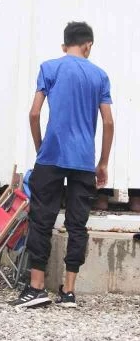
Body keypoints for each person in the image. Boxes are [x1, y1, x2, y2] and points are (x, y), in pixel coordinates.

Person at [9, 22, 114, 309]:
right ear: (88, 45)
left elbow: (34, 114)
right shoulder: (100, 75)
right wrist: (103, 162)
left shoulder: (49, 68)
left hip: (51, 155)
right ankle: (68, 291)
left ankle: (36, 288)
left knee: (41, 219)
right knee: (77, 224)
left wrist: (40, 147)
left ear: (64, 45)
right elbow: (108, 122)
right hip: (83, 160)